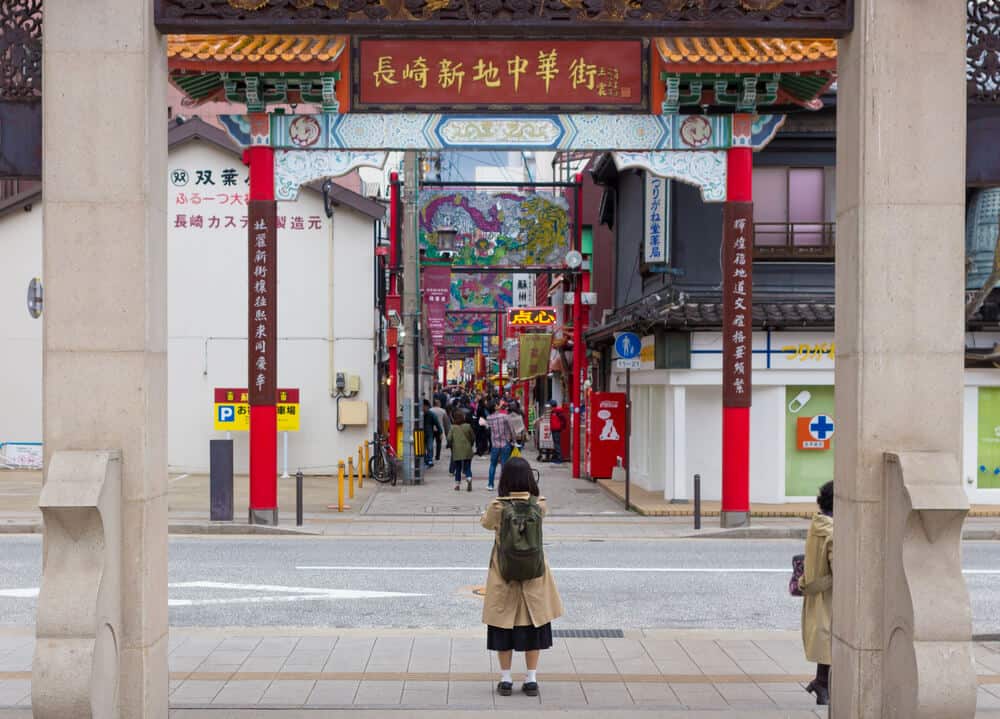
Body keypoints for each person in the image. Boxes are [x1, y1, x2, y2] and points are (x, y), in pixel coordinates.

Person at [481, 457, 563, 698]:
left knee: (503, 626)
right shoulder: (540, 505)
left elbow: (486, 524)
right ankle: (531, 679)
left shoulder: (497, 507)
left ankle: (506, 680)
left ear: (504, 479)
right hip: (534, 576)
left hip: (504, 575)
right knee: (533, 627)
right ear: (530, 477)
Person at [800, 480, 833, 706]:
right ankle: (822, 684)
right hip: (830, 596)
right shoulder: (834, 531)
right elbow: (840, 566)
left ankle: (821, 683)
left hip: (818, 594)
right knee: (832, 640)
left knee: (827, 641)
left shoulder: (818, 525)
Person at [484, 401, 515, 491]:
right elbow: (512, 429)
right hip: (505, 443)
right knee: (504, 465)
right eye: (497, 405)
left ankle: (490, 484)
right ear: (495, 407)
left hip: (495, 444)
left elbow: (488, 427)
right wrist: (514, 440)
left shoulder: (489, 418)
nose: (499, 406)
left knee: (493, 465)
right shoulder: (505, 417)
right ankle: (504, 485)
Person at [448, 409, 476, 492]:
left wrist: (452, 444)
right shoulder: (468, 426)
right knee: (467, 467)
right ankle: (469, 478)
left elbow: (449, 438)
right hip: (467, 449)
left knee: (458, 467)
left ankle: (457, 484)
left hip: (457, 450)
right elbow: (473, 437)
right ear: (463, 417)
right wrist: (470, 444)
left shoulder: (453, 427)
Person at [422, 399, 442, 468]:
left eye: (424, 406)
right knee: (422, 448)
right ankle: (425, 460)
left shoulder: (431, 414)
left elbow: (437, 424)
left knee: (429, 447)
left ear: (427, 407)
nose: (423, 408)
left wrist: (441, 432)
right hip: (421, 433)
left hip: (429, 433)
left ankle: (429, 460)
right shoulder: (419, 414)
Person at [548, 400, 567, 464]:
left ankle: (559, 458)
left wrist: (563, 427)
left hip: (556, 430)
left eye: (550, 405)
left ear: (552, 405)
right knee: (556, 444)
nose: (550, 407)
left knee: (557, 444)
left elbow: (564, 419)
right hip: (554, 429)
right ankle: (556, 457)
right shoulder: (554, 412)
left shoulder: (557, 412)